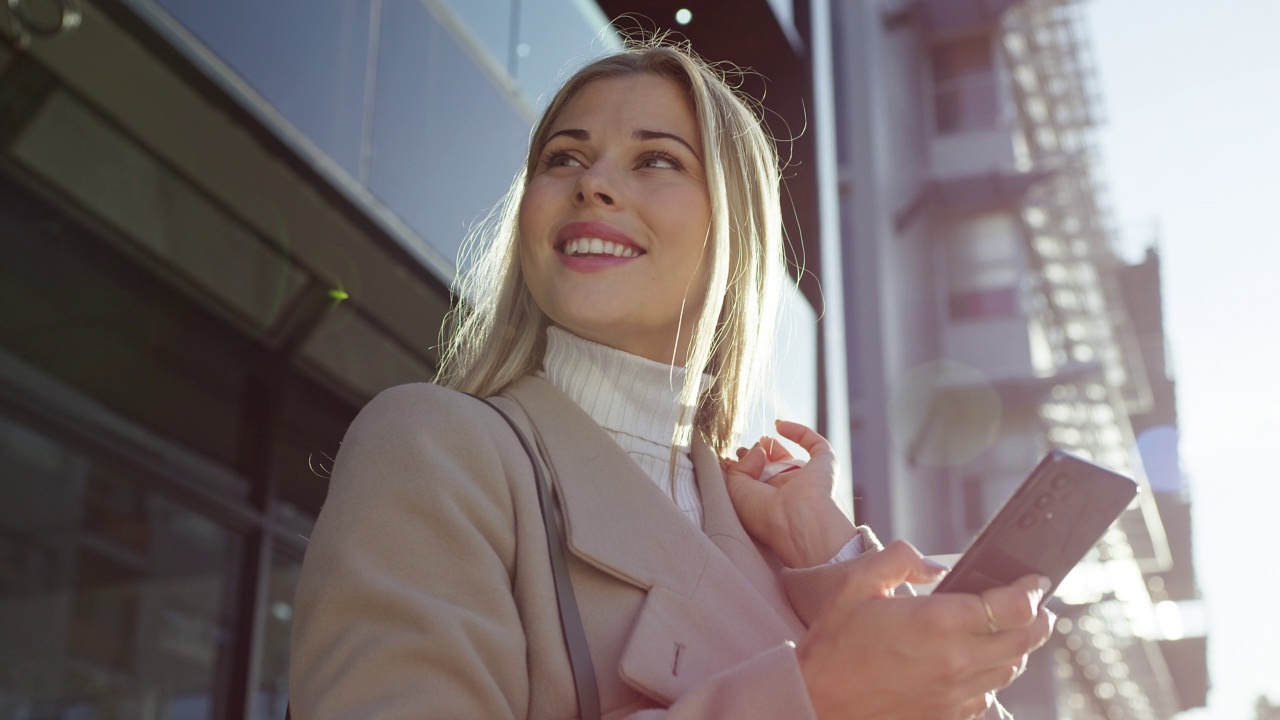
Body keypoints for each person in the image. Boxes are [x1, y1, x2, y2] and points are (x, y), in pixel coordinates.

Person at [289, 39, 1054, 719]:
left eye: (656, 159)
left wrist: (825, 550)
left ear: (732, 227)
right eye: (563, 158)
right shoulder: (435, 447)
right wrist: (813, 698)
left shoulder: (776, 534)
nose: (592, 184)